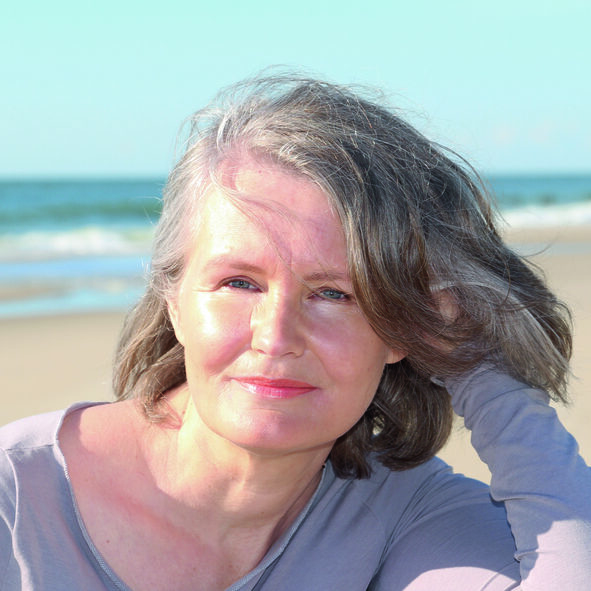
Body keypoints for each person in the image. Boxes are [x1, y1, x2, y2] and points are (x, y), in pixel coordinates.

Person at [1, 74, 590, 591]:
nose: (276, 336)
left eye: (334, 293)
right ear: (174, 301)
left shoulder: (408, 516)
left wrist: (481, 368)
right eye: (239, 282)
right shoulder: (16, 500)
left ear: (406, 328)